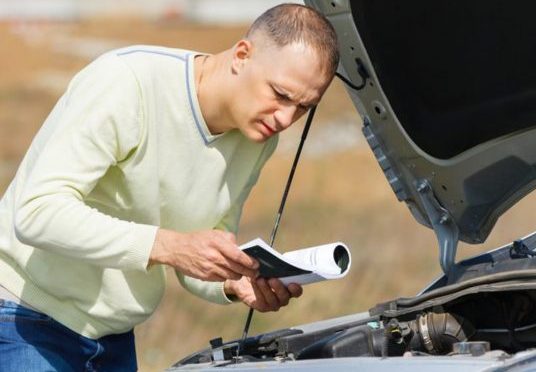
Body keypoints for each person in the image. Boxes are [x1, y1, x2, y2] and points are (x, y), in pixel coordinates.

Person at [0, 3, 339, 371]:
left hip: (114, 338)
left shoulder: (257, 136)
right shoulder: (126, 82)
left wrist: (231, 283)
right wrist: (169, 246)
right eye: (281, 95)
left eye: (304, 107)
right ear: (243, 55)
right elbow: (36, 213)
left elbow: (200, 244)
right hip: (25, 318)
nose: (286, 118)